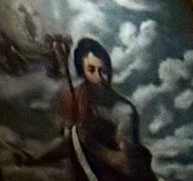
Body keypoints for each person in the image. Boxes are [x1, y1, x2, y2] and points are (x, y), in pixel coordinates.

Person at [62, 36, 154, 181]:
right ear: (82, 71)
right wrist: (33, 157)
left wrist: (91, 144)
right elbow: (68, 140)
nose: (99, 78)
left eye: (103, 70)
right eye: (91, 70)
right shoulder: (75, 98)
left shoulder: (124, 111)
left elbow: (126, 166)